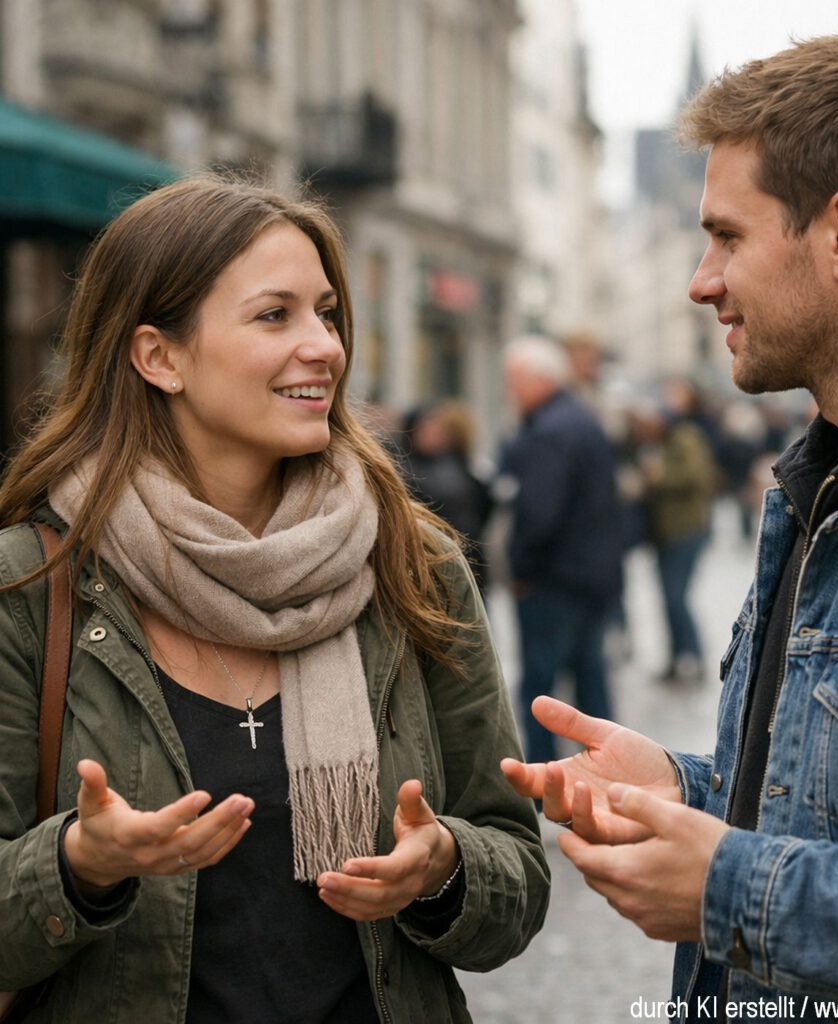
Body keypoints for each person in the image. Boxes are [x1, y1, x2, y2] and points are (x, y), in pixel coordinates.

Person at [502, 35, 838, 1008]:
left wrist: (719, 884)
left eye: (728, 237)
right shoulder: (832, 480)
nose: (701, 281)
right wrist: (686, 792)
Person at [0, 175, 549, 1024]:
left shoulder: (411, 562)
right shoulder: (30, 585)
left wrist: (442, 867)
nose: (325, 346)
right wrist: (79, 864)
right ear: (160, 356)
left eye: (326, 313)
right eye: (275, 315)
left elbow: (516, 874)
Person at [501, 335, 624, 765]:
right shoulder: (578, 419)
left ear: (538, 379)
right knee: (590, 680)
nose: (508, 390)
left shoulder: (549, 430)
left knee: (540, 686)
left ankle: (541, 778)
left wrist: (519, 570)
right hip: (591, 574)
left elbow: (538, 513)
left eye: (513, 380)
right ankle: (608, 767)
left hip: (554, 579)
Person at [628, 397, 717, 683]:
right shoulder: (659, 444)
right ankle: (677, 657)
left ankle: (694, 656)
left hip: (685, 531)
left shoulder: (685, 438)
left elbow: (695, 476)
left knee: (677, 598)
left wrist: (657, 476)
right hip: (665, 533)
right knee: (668, 599)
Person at [397, 402, 493, 596]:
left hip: (469, 557)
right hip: (430, 562)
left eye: (438, 428)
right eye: (427, 428)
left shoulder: (459, 464)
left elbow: (484, 503)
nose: (433, 433)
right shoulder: (403, 470)